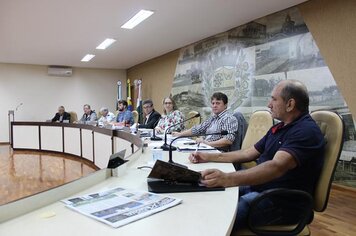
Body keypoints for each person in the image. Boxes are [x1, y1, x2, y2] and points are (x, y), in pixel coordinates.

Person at [188, 80, 325, 229]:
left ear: (290, 104)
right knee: (207, 197)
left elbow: (276, 167)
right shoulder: (279, 128)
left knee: (215, 220)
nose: (269, 104)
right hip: (261, 188)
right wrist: (208, 156)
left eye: (273, 99)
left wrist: (227, 178)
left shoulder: (306, 131)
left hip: (282, 202)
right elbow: (248, 153)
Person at [173, 92, 238, 152]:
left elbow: (228, 140)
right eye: (213, 103)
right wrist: (179, 134)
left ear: (225, 105)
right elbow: (197, 129)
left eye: (218, 103)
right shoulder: (213, 118)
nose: (214, 105)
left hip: (218, 152)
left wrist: (207, 143)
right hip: (205, 148)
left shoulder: (228, 118)